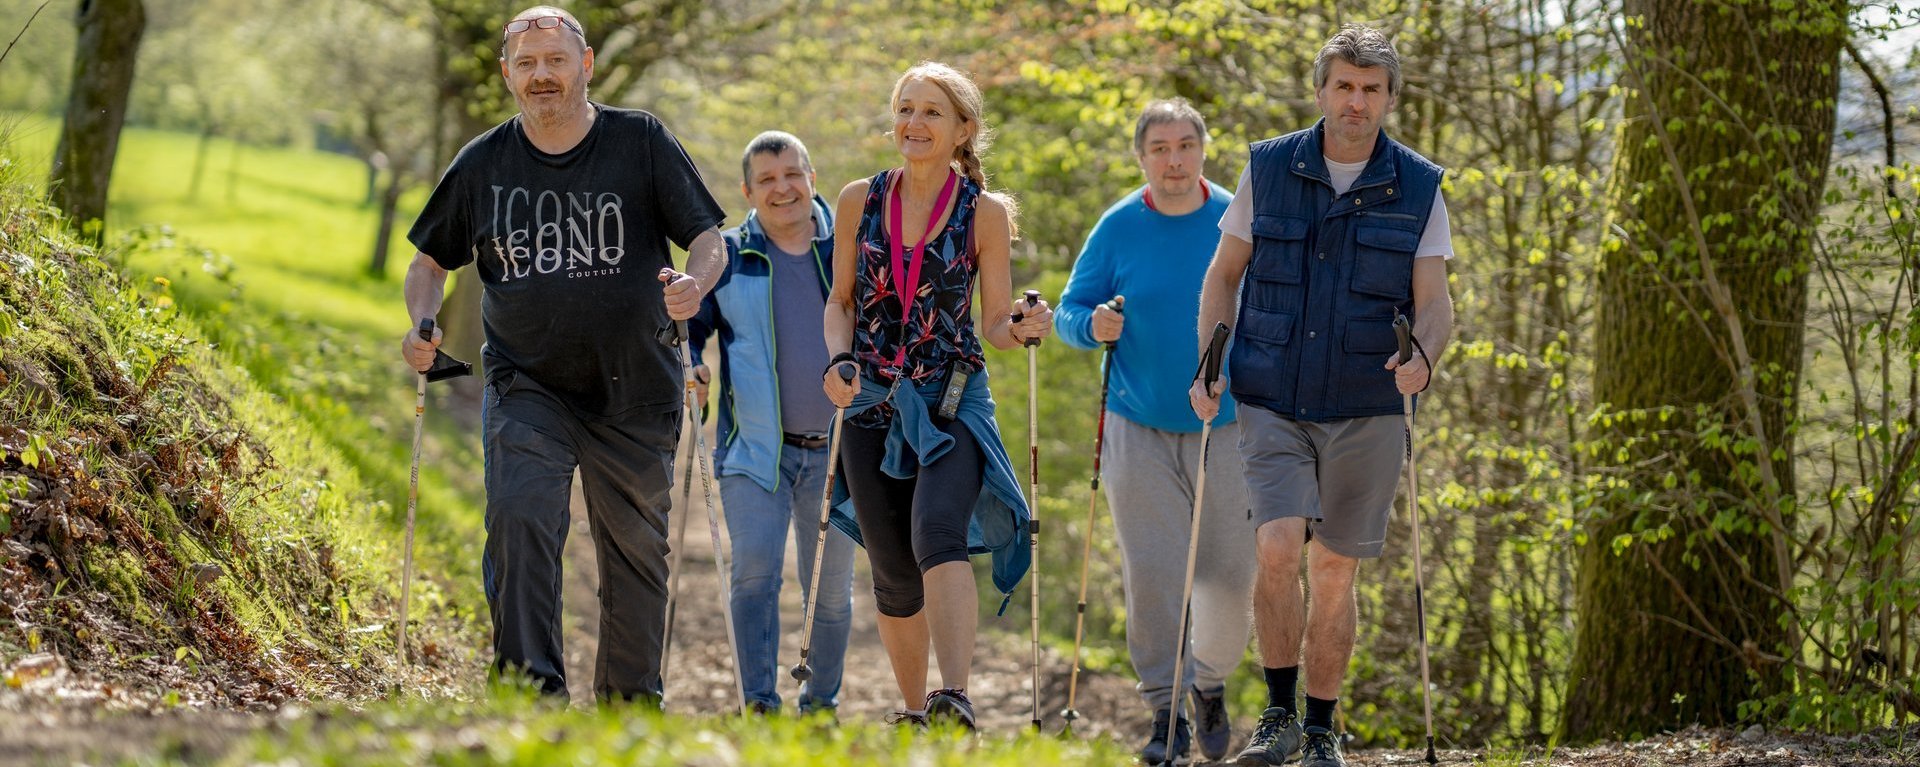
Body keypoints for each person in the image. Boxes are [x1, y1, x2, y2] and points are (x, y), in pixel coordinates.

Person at [400, 5, 727, 704]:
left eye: (555, 60)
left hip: (636, 386)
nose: (541, 75)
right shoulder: (484, 161)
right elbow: (430, 261)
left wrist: (695, 283)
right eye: (527, 63)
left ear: (584, 64)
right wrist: (423, 320)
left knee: (637, 554)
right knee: (518, 520)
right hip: (528, 382)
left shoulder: (639, 141)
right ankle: (529, 694)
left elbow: (708, 236)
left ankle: (628, 709)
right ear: (507, 75)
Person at [1190, 25, 1455, 767]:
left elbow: (1434, 300)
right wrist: (1209, 358)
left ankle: (1321, 729)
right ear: (1321, 91)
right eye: (1344, 85)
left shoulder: (1421, 186)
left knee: (1335, 567)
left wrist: (1425, 357)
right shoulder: (1267, 169)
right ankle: (1274, 717)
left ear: (1391, 99)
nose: (1357, 101)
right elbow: (1222, 275)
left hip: (1368, 400)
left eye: (1372, 89)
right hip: (1272, 389)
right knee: (1277, 545)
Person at [820, 61, 1053, 729]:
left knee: (937, 531)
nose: (913, 123)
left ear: (962, 130)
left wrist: (1024, 324)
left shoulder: (984, 214)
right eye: (905, 109)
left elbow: (997, 323)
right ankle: (916, 710)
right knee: (892, 566)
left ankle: (957, 697)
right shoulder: (857, 198)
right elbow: (838, 302)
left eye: (930, 112)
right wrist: (838, 359)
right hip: (870, 400)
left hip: (951, 400)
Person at [1055, 98, 1255, 765]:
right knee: (1155, 573)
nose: (1174, 160)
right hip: (1137, 424)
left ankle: (1211, 683)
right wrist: (1093, 327)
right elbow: (1068, 311)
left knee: (1229, 573)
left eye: (1185, 145)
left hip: (1227, 423)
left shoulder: (1236, 216)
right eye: (1160, 148)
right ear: (1141, 156)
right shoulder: (1118, 226)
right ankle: (1165, 711)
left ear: (1203, 149)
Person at [686, 131, 856, 716]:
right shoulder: (728, 258)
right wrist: (690, 367)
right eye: (767, 179)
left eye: (792, 174)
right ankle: (757, 703)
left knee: (829, 595)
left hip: (840, 452)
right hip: (753, 449)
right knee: (754, 576)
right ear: (748, 191)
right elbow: (689, 328)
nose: (782, 188)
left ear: (812, 177)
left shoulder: (848, 251)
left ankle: (821, 705)